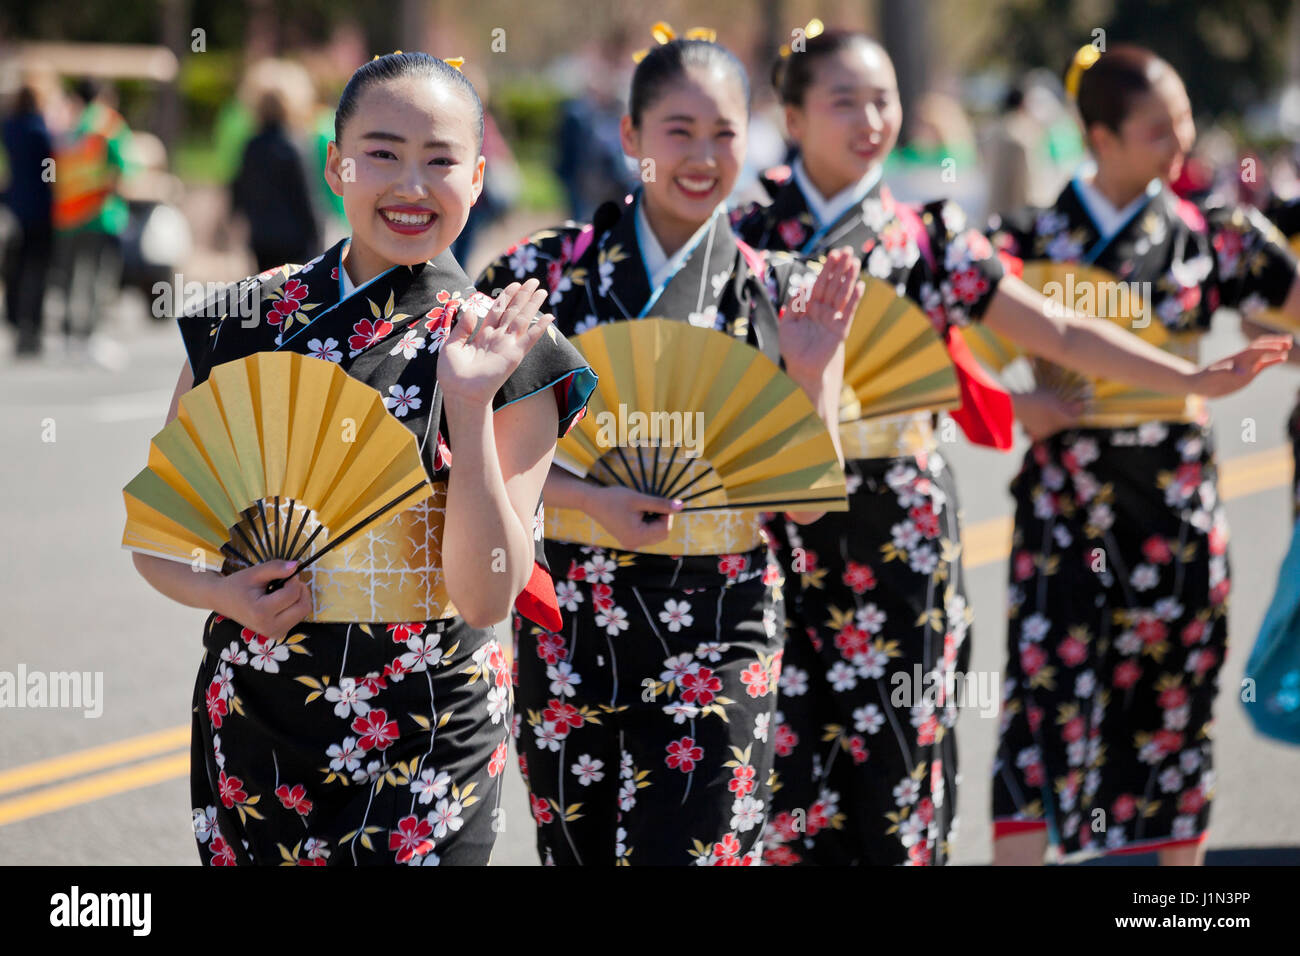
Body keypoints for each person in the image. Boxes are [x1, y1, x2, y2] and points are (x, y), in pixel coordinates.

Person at [731, 29, 1292, 866]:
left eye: (884, 98)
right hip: (791, 523)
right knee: (779, 765)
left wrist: (1199, 381)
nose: (871, 118)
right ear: (792, 114)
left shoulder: (930, 238)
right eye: (844, 100)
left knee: (906, 767)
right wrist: (1019, 403)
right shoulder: (746, 239)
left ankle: (1173, 898)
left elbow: (1060, 328)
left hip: (909, 528)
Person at [129, 52, 597, 866]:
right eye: (382, 152)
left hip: (431, 733)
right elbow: (158, 538)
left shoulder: (509, 349)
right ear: (334, 164)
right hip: (260, 714)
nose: (411, 184)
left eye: (441, 159)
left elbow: (488, 591)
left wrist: (468, 402)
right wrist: (223, 594)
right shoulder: (243, 323)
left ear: (480, 177)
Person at [476, 29, 866, 866]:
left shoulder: (783, 288)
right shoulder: (547, 274)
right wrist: (590, 501)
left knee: (700, 852)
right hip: (574, 616)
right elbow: (473, 453)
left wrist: (809, 368)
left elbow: (807, 498)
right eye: (677, 131)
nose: (701, 155)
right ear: (630, 138)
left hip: (722, 621)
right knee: (576, 853)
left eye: (724, 133)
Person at [987, 44, 1300, 865]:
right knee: (1042, 708)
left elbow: (1292, 308)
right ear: (1100, 136)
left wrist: (1275, 347)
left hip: (1176, 507)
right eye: (1158, 130)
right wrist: (1021, 405)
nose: (1181, 144)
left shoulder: (1214, 237)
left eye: (1185, 123)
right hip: (1067, 508)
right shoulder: (1026, 240)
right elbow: (940, 360)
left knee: (1175, 706)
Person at [51, 78, 130, 356]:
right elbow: (121, 167)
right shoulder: (107, 125)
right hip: (99, 212)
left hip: (68, 214)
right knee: (98, 275)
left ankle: (68, 335)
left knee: (70, 276)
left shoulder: (67, 125)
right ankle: (91, 336)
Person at [230, 84, 321, 272]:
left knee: (265, 290)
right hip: (294, 238)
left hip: (261, 236)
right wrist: (317, 234)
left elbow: (239, 188)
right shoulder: (295, 145)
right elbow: (307, 195)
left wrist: (235, 217)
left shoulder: (251, 146)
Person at [2, 79, 55, 357]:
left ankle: (15, 320)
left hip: (14, 207)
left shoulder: (9, 128)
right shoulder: (39, 130)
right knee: (36, 271)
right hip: (40, 210)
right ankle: (30, 326)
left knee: (16, 270)